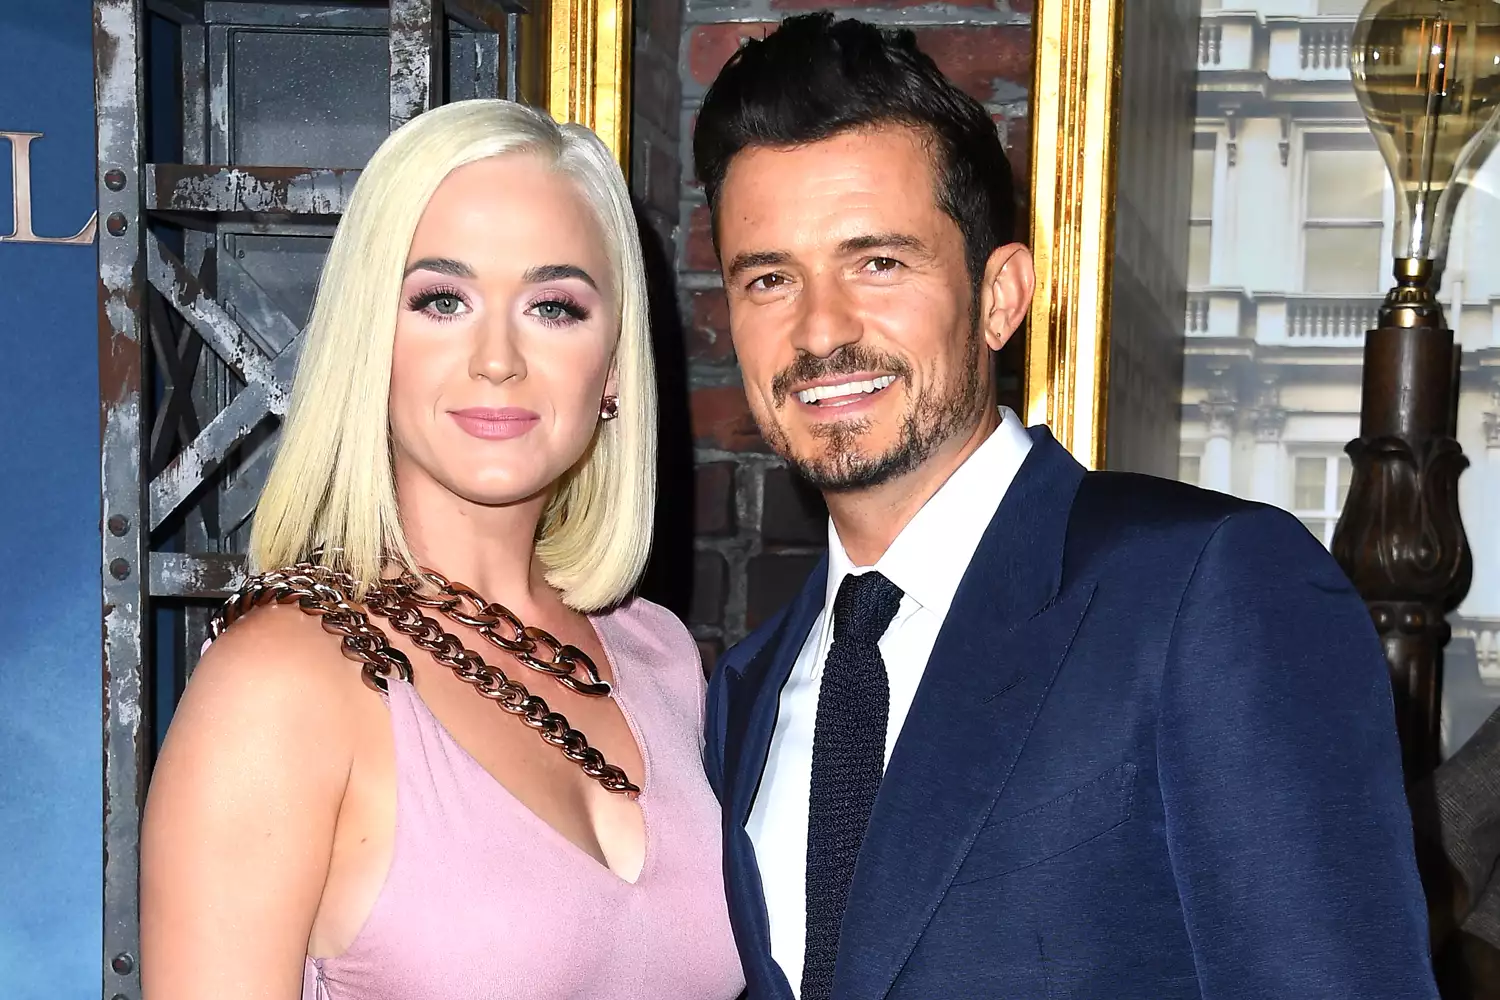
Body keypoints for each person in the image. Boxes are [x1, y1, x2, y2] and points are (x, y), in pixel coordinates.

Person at [693, 14, 1438, 1000]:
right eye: (769, 278)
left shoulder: (1208, 592)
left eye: (878, 263)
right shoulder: (744, 691)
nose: (821, 328)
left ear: (1000, 296)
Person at [140, 99, 744, 1000]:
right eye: (442, 300)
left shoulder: (661, 659)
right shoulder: (281, 683)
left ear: (613, 366)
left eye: (553, 306)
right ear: (370, 343)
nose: (496, 357)